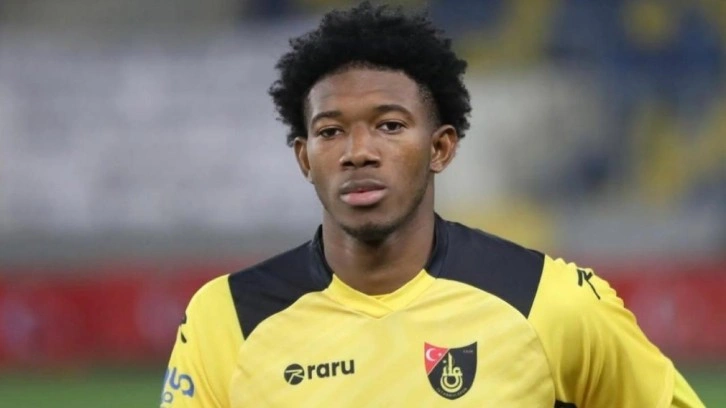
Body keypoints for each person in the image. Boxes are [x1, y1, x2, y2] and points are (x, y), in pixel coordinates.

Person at [160, 2, 704, 407]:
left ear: (440, 148)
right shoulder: (228, 317)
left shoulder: (547, 303)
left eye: (390, 126)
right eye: (330, 132)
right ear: (305, 158)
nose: (358, 152)